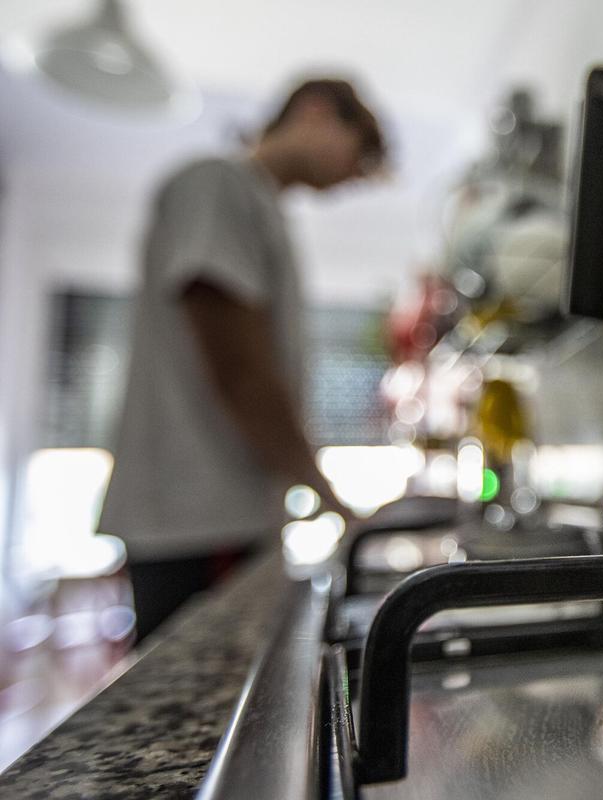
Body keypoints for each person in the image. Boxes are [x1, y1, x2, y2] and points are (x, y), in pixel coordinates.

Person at [98, 78, 387, 640]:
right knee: (201, 713)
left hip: (216, 517)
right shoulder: (218, 184)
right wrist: (331, 499)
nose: (356, 174)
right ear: (317, 109)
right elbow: (239, 367)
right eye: (363, 150)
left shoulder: (256, 207)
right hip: (202, 517)